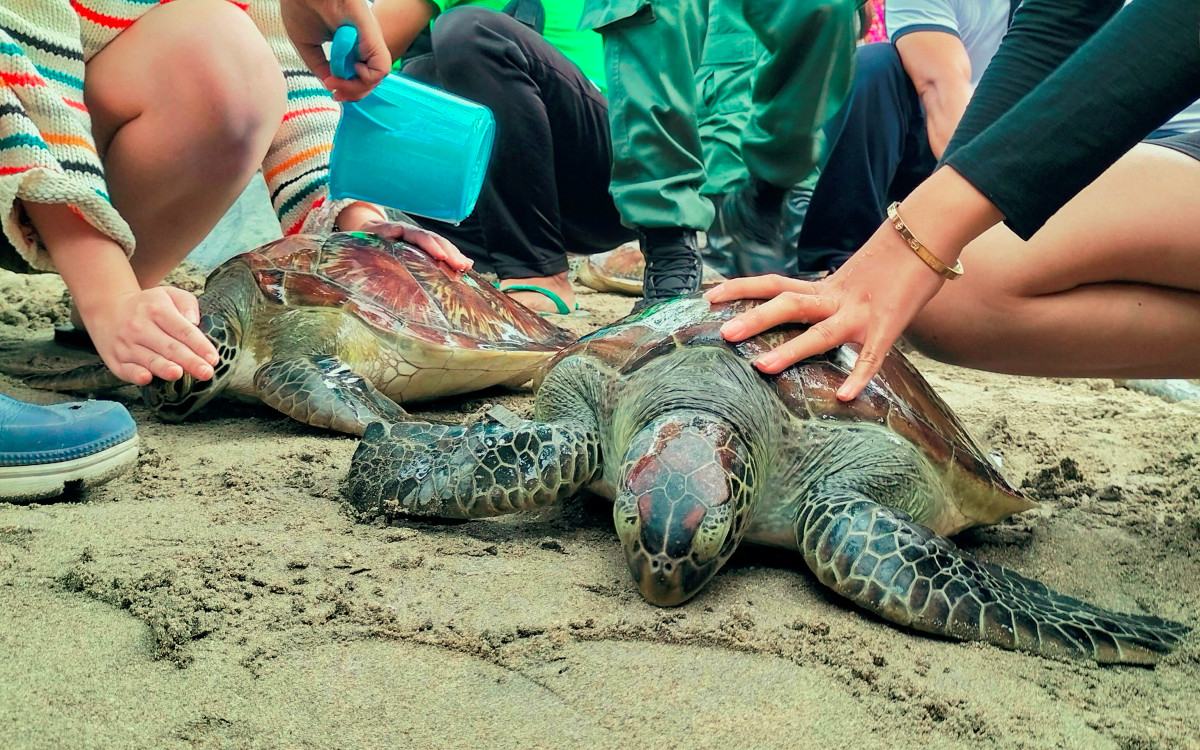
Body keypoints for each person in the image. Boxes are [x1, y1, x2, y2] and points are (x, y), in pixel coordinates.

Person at [0, 0, 469, 500]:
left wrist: (356, 223)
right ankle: (110, 303)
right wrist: (106, 293)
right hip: (22, 133)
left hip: (92, 172)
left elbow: (295, 86)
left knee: (230, 56)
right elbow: (29, 86)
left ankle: (126, 321)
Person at [706, 0, 1200, 401]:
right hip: (1138, 155)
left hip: (1162, 143)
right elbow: (1058, 22)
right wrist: (902, 250)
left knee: (942, 260)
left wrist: (922, 233)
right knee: (954, 292)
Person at [580, 0, 858, 309]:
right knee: (658, 10)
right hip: (705, 156)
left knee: (823, 7)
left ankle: (770, 191)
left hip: (773, 177)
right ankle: (668, 238)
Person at [796, 0, 1014, 274]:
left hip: (1024, 143)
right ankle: (837, 262)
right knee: (874, 65)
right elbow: (941, 92)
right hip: (943, 152)